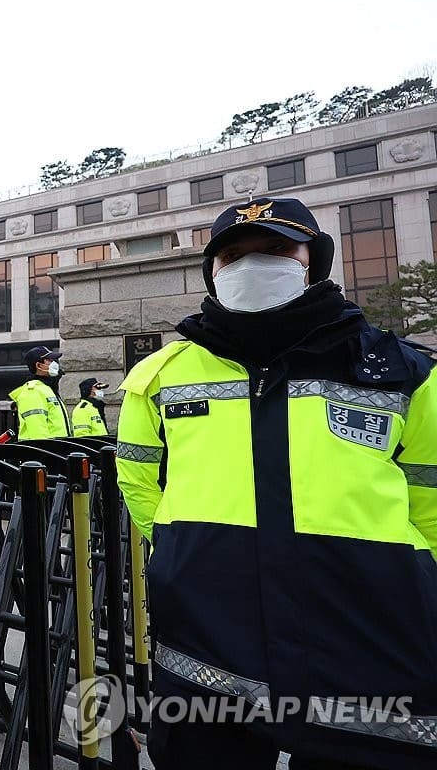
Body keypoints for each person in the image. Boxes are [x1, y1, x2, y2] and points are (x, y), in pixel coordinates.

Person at [116, 197, 437, 770]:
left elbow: (431, 499)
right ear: (212, 273)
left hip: (368, 639)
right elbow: (139, 479)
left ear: (313, 260)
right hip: (207, 637)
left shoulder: (405, 372)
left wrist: (412, 577)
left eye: (275, 250)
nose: (252, 266)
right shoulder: (160, 374)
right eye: (233, 255)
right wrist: (176, 549)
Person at [9, 345, 69, 440]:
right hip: (46, 451)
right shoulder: (33, 391)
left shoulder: (47, 389)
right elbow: (37, 432)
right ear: (39, 365)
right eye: (49, 360)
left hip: (56, 449)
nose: (55, 363)